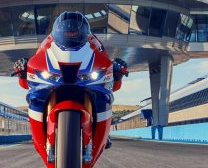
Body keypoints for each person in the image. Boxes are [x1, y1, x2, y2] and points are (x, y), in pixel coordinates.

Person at [13, 11, 128, 148]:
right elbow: (32, 72)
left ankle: (103, 133)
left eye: (74, 29)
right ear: (58, 30)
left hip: (84, 79)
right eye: (67, 29)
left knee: (105, 94)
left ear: (84, 30)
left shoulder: (95, 43)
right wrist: (23, 72)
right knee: (36, 92)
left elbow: (109, 76)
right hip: (56, 78)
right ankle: (38, 134)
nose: (71, 32)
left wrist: (117, 73)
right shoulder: (47, 42)